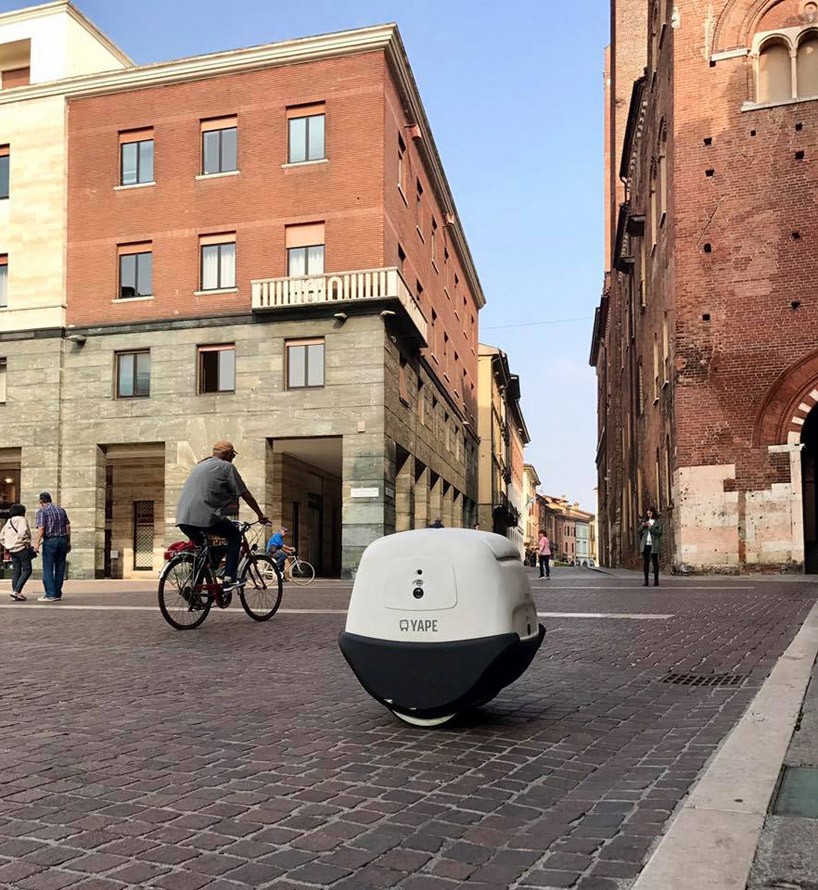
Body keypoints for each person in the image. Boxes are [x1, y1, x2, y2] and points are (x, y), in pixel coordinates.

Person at [176, 440, 269, 593]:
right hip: (206, 517)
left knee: (203, 551)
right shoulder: (227, 467)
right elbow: (244, 493)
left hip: (183, 518)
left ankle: (195, 591)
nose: (233, 459)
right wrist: (260, 514)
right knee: (234, 536)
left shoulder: (199, 466)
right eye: (233, 455)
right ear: (228, 454)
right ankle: (229, 578)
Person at [32, 492, 70, 603]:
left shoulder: (42, 511)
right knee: (60, 567)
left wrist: (36, 543)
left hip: (50, 541)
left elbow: (41, 528)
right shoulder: (61, 510)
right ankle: (57, 593)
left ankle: (50, 594)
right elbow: (68, 526)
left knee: (48, 568)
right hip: (63, 540)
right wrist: (68, 541)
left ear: (41, 501)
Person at [0, 503, 34, 601]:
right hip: (21, 548)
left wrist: (8, 545)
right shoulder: (22, 520)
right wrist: (25, 542)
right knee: (27, 570)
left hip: (12, 549)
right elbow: (22, 532)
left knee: (16, 570)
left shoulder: (9, 521)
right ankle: (16, 591)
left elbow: (1, 536)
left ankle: (15, 592)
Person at [639, 506, 662, 586]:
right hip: (645, 544)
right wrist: (642, 525)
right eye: (647, 513)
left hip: (654, 544)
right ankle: (646, 581)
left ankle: (656, 580)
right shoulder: (645, 520)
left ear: (653, 513)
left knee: (655, 562)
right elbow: (638, 531)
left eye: (650, 513)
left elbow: (659, 532)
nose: (649, 515)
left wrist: (650, 527)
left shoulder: (658, 522)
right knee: (646, 563)